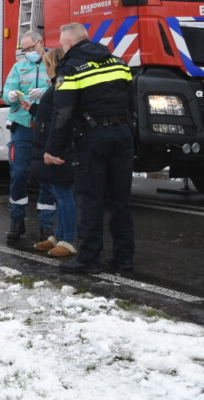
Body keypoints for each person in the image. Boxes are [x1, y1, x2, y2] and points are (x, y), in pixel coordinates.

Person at [45, 22, 136, 274]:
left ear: (69, 43)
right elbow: (131, 100)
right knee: (120, 200)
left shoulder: (71, 68)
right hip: (122, 136)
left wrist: (52, 148)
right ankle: (124, 258)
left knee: (90, 199)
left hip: (92, 138)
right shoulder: (118, 62)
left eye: (64, 43)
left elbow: (62, 113)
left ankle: (89, 259)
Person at [2, 31, 56, 244]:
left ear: (41, 43)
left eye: (31, 48)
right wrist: (12, 96)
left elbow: (61, 88)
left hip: (45, 125)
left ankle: (46, 226)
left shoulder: (53, 63)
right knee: (18, 173)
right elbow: (7, 92)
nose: (28, 53)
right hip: (22, 125)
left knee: (48, 175)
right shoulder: (18, 67)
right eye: (24, 50)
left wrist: (45, 92)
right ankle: (17, 221)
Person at [28, 49, 78, 258]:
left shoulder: (60, 83)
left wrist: (53, 148)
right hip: (52, 144)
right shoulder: (56, 84)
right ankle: (58, 236)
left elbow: (61, 116)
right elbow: (50, 114)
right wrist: (33, 109)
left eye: (47, 64)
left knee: (64, 194)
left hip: (58, 147)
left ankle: (69, 240)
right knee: (59, 193)